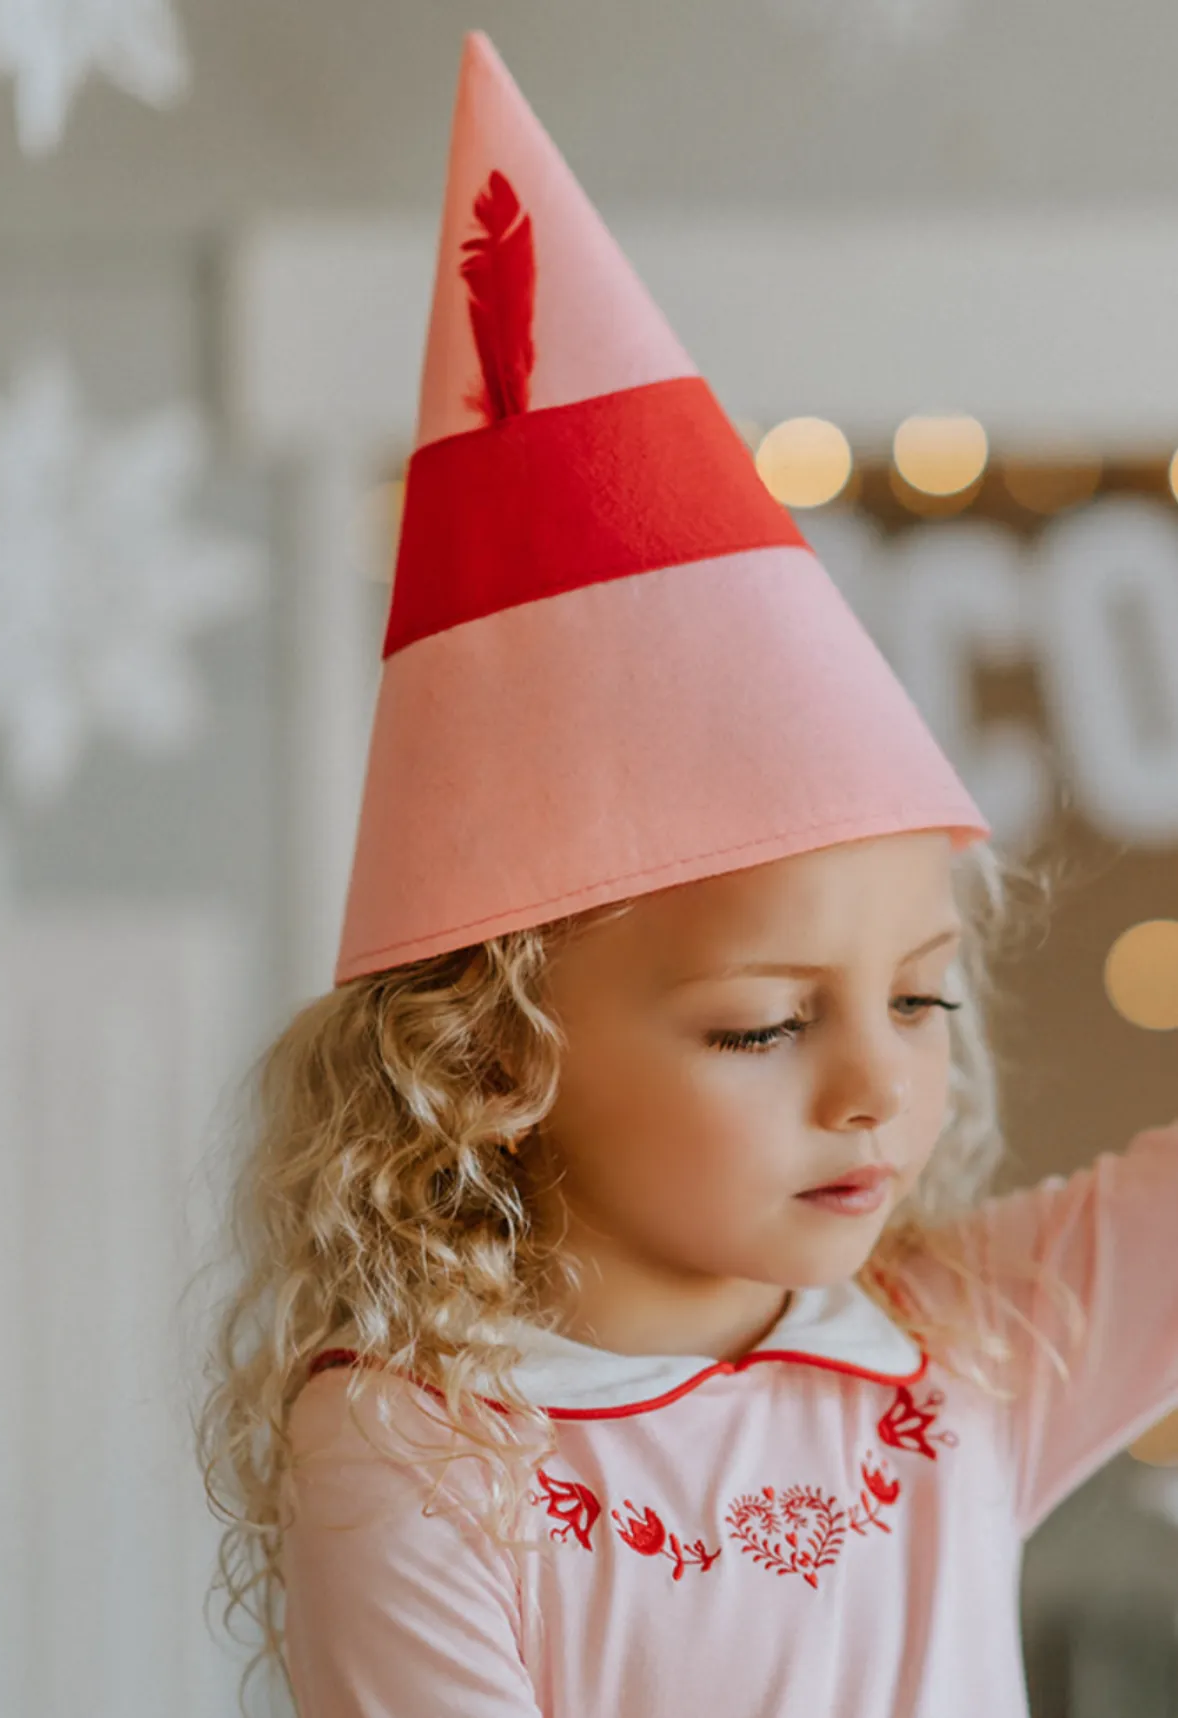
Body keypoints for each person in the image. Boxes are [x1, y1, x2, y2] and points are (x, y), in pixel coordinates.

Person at [196, 32, 1178, 1718]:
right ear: (491, 1053)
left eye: (920, 998)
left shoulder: (960, 1343)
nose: (880, 1083)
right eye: (759, 1027)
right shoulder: (420, 1445)